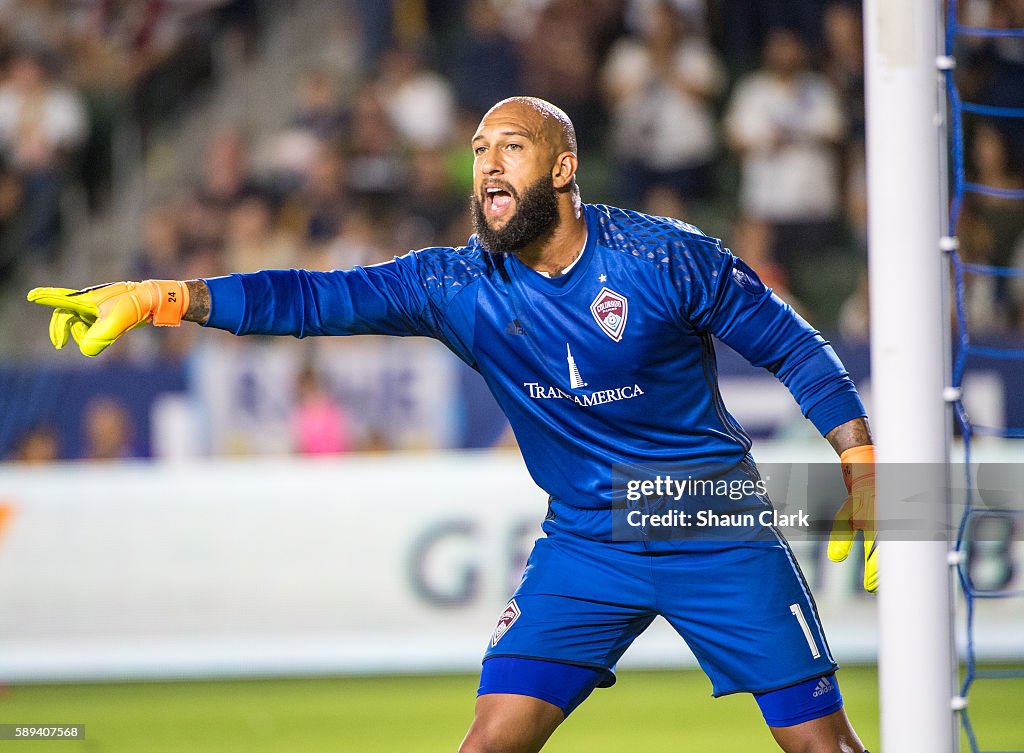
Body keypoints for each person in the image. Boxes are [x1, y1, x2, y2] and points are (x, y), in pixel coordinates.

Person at [28, 96, 876, 753]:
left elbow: (796, 347)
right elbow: (313, 297)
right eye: (478, 152)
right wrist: (161, 298)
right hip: (587, 542)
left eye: (512, 147)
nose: (488, 166)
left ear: (564, 167)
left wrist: (861, 459)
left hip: (710, 527)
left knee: (817, 742)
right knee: (491, 738)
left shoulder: (663, 258)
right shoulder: (455, 284)